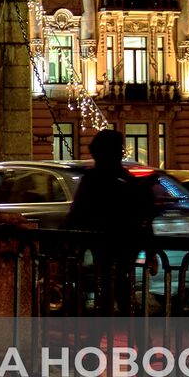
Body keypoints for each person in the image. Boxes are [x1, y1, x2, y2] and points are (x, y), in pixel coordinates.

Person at [64, 128, 155, 316]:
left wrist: (62, 239)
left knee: (109, 293)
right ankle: (139, 338)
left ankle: (98, 338)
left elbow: (76, 213)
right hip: (125, 247)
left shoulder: (94, 179)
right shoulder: (128, 181)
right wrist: (150, 252)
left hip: (103, 246)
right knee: (121, 293)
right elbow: (144, 217)